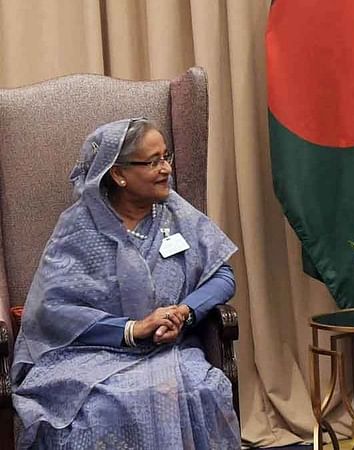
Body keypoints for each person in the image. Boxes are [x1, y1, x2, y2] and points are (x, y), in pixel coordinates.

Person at [11, 118, 240, 449]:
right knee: (102, 406)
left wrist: (184, 313)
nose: (166, 169)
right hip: (88, 355)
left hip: (169, 349)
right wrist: (133, 328)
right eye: (153, 162)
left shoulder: (178, 214)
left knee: (199, 390)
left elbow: (222, 274)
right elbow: (52, 310)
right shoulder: (79, 227)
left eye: (167, 157)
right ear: (118, 174)